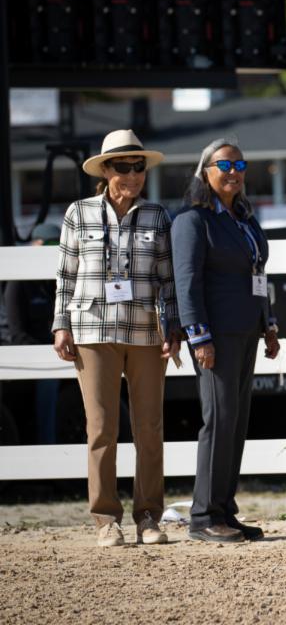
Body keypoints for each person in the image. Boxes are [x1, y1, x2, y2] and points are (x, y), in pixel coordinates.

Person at [51, 130, 179, 547]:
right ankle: (106, 519)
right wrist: (61, 324)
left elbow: (169, 281)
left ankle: (149, 516)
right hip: (92, 330)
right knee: (102, 428)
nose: (133, 175)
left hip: (146, 332)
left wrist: (173, 327)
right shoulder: (78, 213)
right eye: (124, 167)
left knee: (150, 428)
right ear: (105, 170)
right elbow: (65, 275)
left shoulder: (158, 216)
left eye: (139, 167)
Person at [172, 137, 279, 543]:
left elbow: (258, 273)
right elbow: (187, 283)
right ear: (206, 171)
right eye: (225, 165)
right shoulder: (193, 221)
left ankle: (224, 510)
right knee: (218, 421)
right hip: (215, 335)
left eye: (240, 165)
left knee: (234, 421)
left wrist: (269, 323)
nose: (234, 172)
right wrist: (199, 336)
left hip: (247, 330)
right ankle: (203, 516)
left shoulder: (244, 218)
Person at [7, 222, 63, 444]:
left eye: (57, 245)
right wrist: (46, 353)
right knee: (49, 382)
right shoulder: (18, 282)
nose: (53, 251)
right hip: (30, 353)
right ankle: (47, 444)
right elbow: (17, 334)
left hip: (57, 350)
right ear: (35, 245)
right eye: (48, 245)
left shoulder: (54, 282)